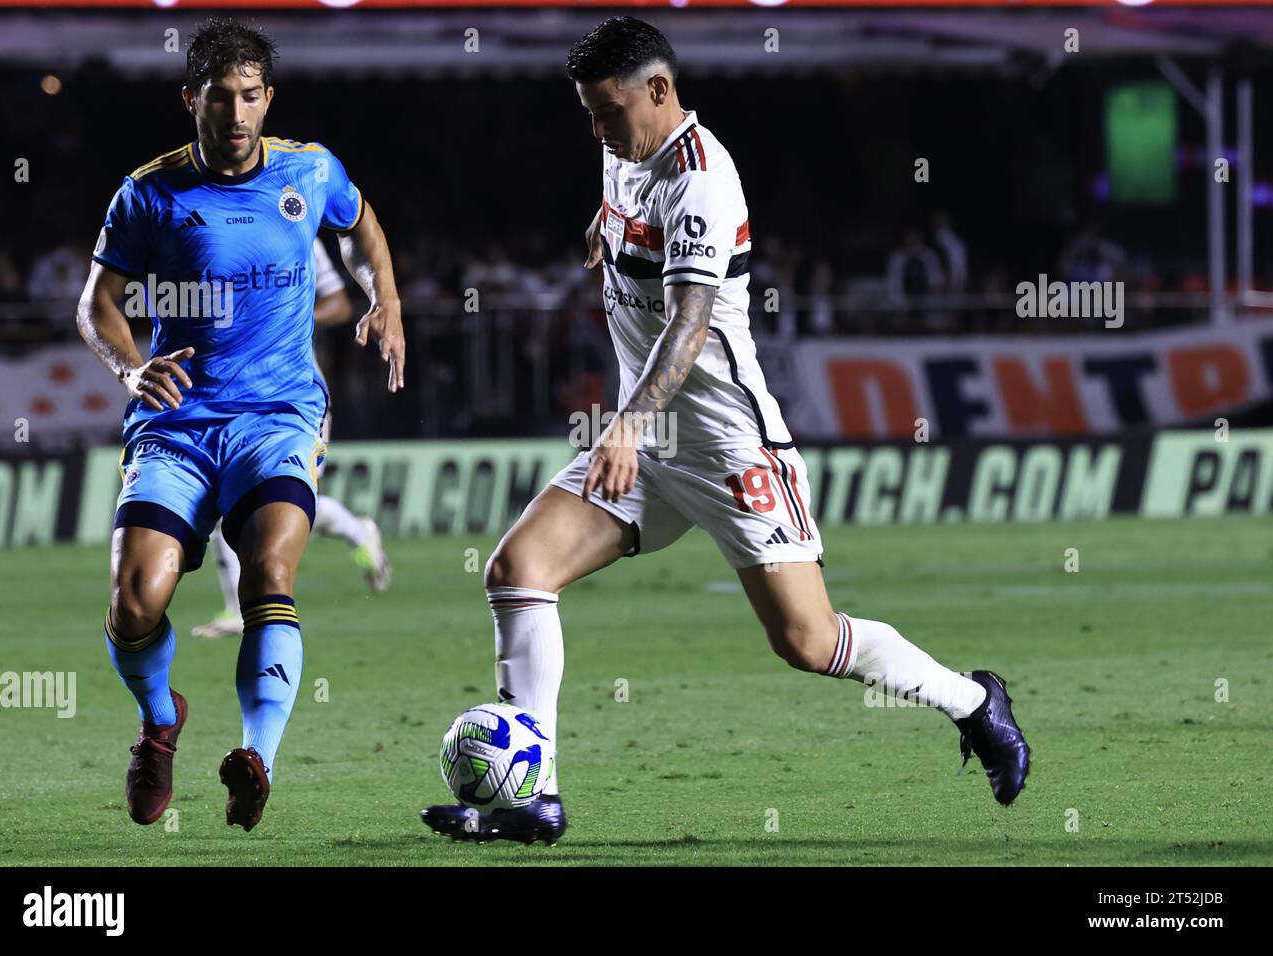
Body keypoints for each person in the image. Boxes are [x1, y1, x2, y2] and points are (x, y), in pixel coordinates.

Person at [421, 16, 1029, 845]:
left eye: (607, 112)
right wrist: (601, 235)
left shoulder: (704, 178)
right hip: (648, 449)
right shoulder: (622, 151)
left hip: (725, 445)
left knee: (807, 641)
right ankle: (534, 798)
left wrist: (627, 425)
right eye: (589, 114)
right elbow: (622, 217)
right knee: (517, 570)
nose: (596, 129)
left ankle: (973, 701)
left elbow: (691, 323)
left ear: (660, 93)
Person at [76, 18, 403, 832]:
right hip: (177, 423)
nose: (236, 114)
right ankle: (159, 725)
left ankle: (256, 756)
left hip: (279, 415)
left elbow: (363, 227)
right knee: (135, 599)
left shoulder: (309, 170)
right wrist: (128, 368)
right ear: (192, 100)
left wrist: (385, 299)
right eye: (219, 98)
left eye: (250, 96)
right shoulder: (149, 191)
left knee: (270, 577)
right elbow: (96, 303)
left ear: (267, 98)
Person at [193, 238, 392, 640]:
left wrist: (283, 321)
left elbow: (339, 306)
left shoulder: (297, 229)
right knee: (225, 504)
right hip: (232, 394)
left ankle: (356, 532)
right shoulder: (209, 225)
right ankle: (237, 610)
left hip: (295, 396)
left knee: (281, 501)